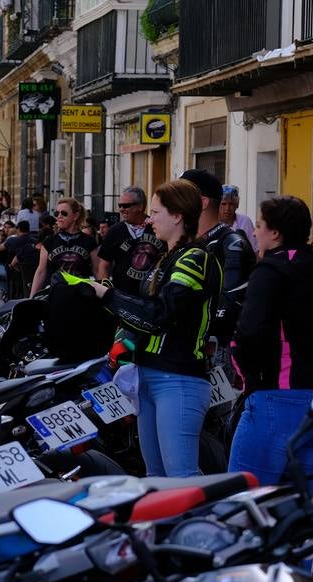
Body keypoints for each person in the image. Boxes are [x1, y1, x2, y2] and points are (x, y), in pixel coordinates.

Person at [227, 195, 313, 499]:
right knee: (293, 513)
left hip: (276, 401)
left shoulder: (269, 271)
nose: (254, 232)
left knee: (243, 503)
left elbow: (251, 332)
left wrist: (245, 372)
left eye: (259, 226)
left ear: (275, 233)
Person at [91, 179, 221, 477]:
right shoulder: (168, 257)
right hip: (149, 374)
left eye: (156, 212)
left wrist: (108, 295)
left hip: (178, 377)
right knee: (155, 477)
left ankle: (203, 526)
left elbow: (159, 316)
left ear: (177, 216)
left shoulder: (195, 258)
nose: (150, 220)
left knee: (181, 477)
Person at [180, 168, 255, 357]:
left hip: (215, 352)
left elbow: (229, 307)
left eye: (180, 195)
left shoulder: (232, 244)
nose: (173, 202)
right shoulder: (184, 240)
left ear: (203, 203)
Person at [95, 186, 166, 296]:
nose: (122, 209)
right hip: (122, 295)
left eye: (126, 205)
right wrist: (104, 292)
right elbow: (103, 265)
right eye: (120, 205)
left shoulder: (157, 227)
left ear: (141, 206)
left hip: (152, 295)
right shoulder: (115, 231)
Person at [29, 198, 98, 297]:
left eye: (64, 213)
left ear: (75, 216)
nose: (59, 216)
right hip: (56, 296)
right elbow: (41, 272)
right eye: (57, 213)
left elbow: (97, 271)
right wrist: (31, 298)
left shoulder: (89, 241)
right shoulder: (49, 242)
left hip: (80, 297)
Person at [220, 185, 258, 252]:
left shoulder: (245, 221)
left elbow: (255, 249)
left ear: (237, 205)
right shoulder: (213, 222)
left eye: (231, 204)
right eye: (224, 204)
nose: (227, 208)